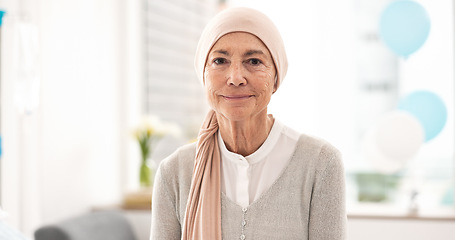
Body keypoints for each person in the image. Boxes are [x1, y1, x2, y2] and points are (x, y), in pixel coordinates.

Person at [150, 7, 346, 240]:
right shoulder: (174, 172)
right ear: (203, 75)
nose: (235, 78)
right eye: (220, 60)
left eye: (254, 61)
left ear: (276, 77)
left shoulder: (321, 164)